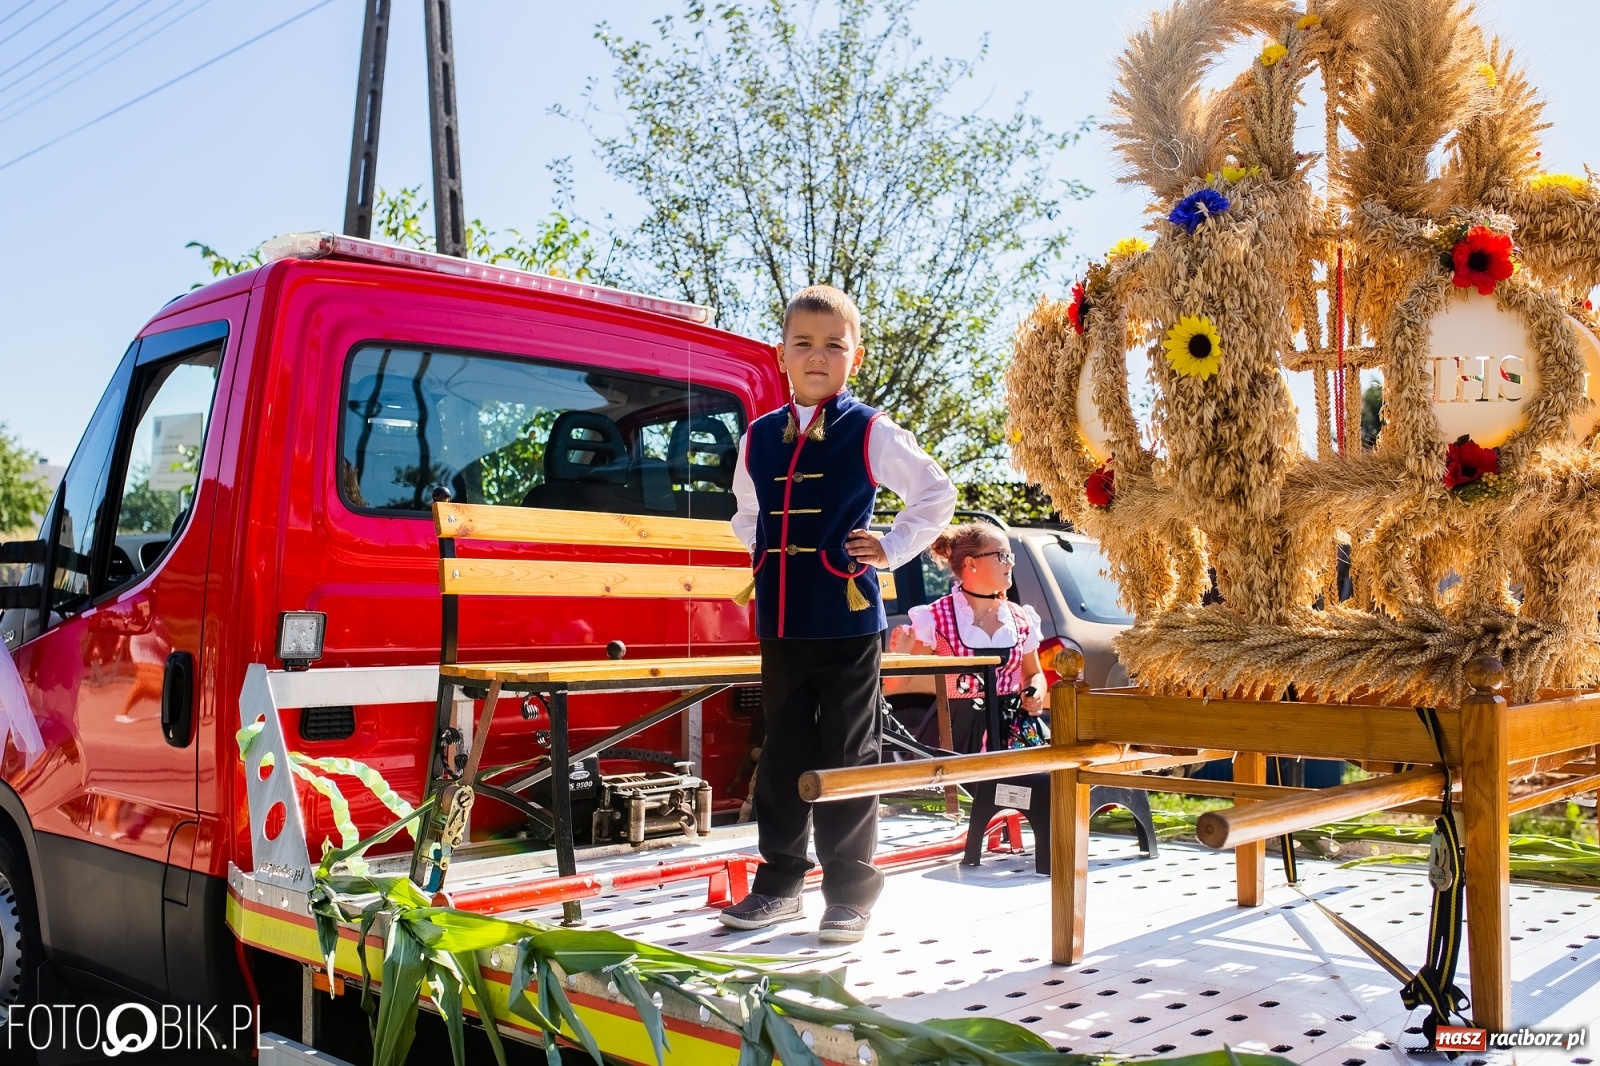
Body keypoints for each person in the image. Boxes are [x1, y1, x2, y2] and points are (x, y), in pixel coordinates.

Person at [719, 284, 955, 943]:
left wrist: (892, 548)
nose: (816, 356)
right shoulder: (759, 436)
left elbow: (936, 493)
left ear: (856, 355)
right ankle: (780, 886)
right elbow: (746, 515)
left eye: (832, 345)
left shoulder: (870, 430)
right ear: (781, 355)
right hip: (782, 622)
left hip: (848, 621)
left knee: (849, 752)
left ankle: (850, 893)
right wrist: (770, 554)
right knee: (782, 752)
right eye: (803, 344)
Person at [883, 523, 1047, 752]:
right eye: (1001, 556)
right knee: (962, 788)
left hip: (1012, 734)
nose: (1010, 562)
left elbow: (1033, 673)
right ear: (970, 563)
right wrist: (901, 652)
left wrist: (1035, 692)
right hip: (955, 734)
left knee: (1022, 786)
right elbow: (895, 684)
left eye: (1010, 555)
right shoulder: (936, 617)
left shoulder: (1020, 617)